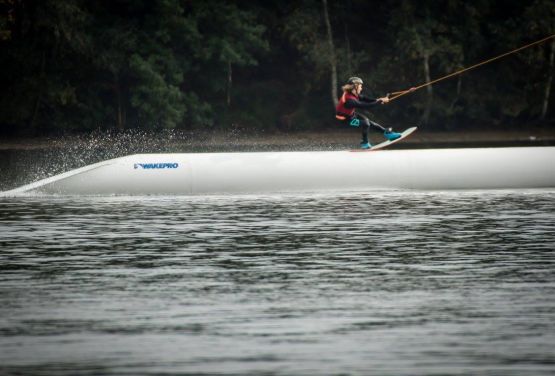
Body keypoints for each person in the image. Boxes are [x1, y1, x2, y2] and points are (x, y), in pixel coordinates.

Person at [335, 76, 401, 149]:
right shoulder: (349, 100)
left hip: (351, 115)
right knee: (365, 124)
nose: (361, 88)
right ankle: (364, 143)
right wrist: (379, 102)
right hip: (344, 120)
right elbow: (365, 106)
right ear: (355, 86)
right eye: (360, 86)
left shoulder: (352, 94)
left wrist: (378, 99)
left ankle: (387, 133)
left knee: (369, 122)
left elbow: (365, 99)